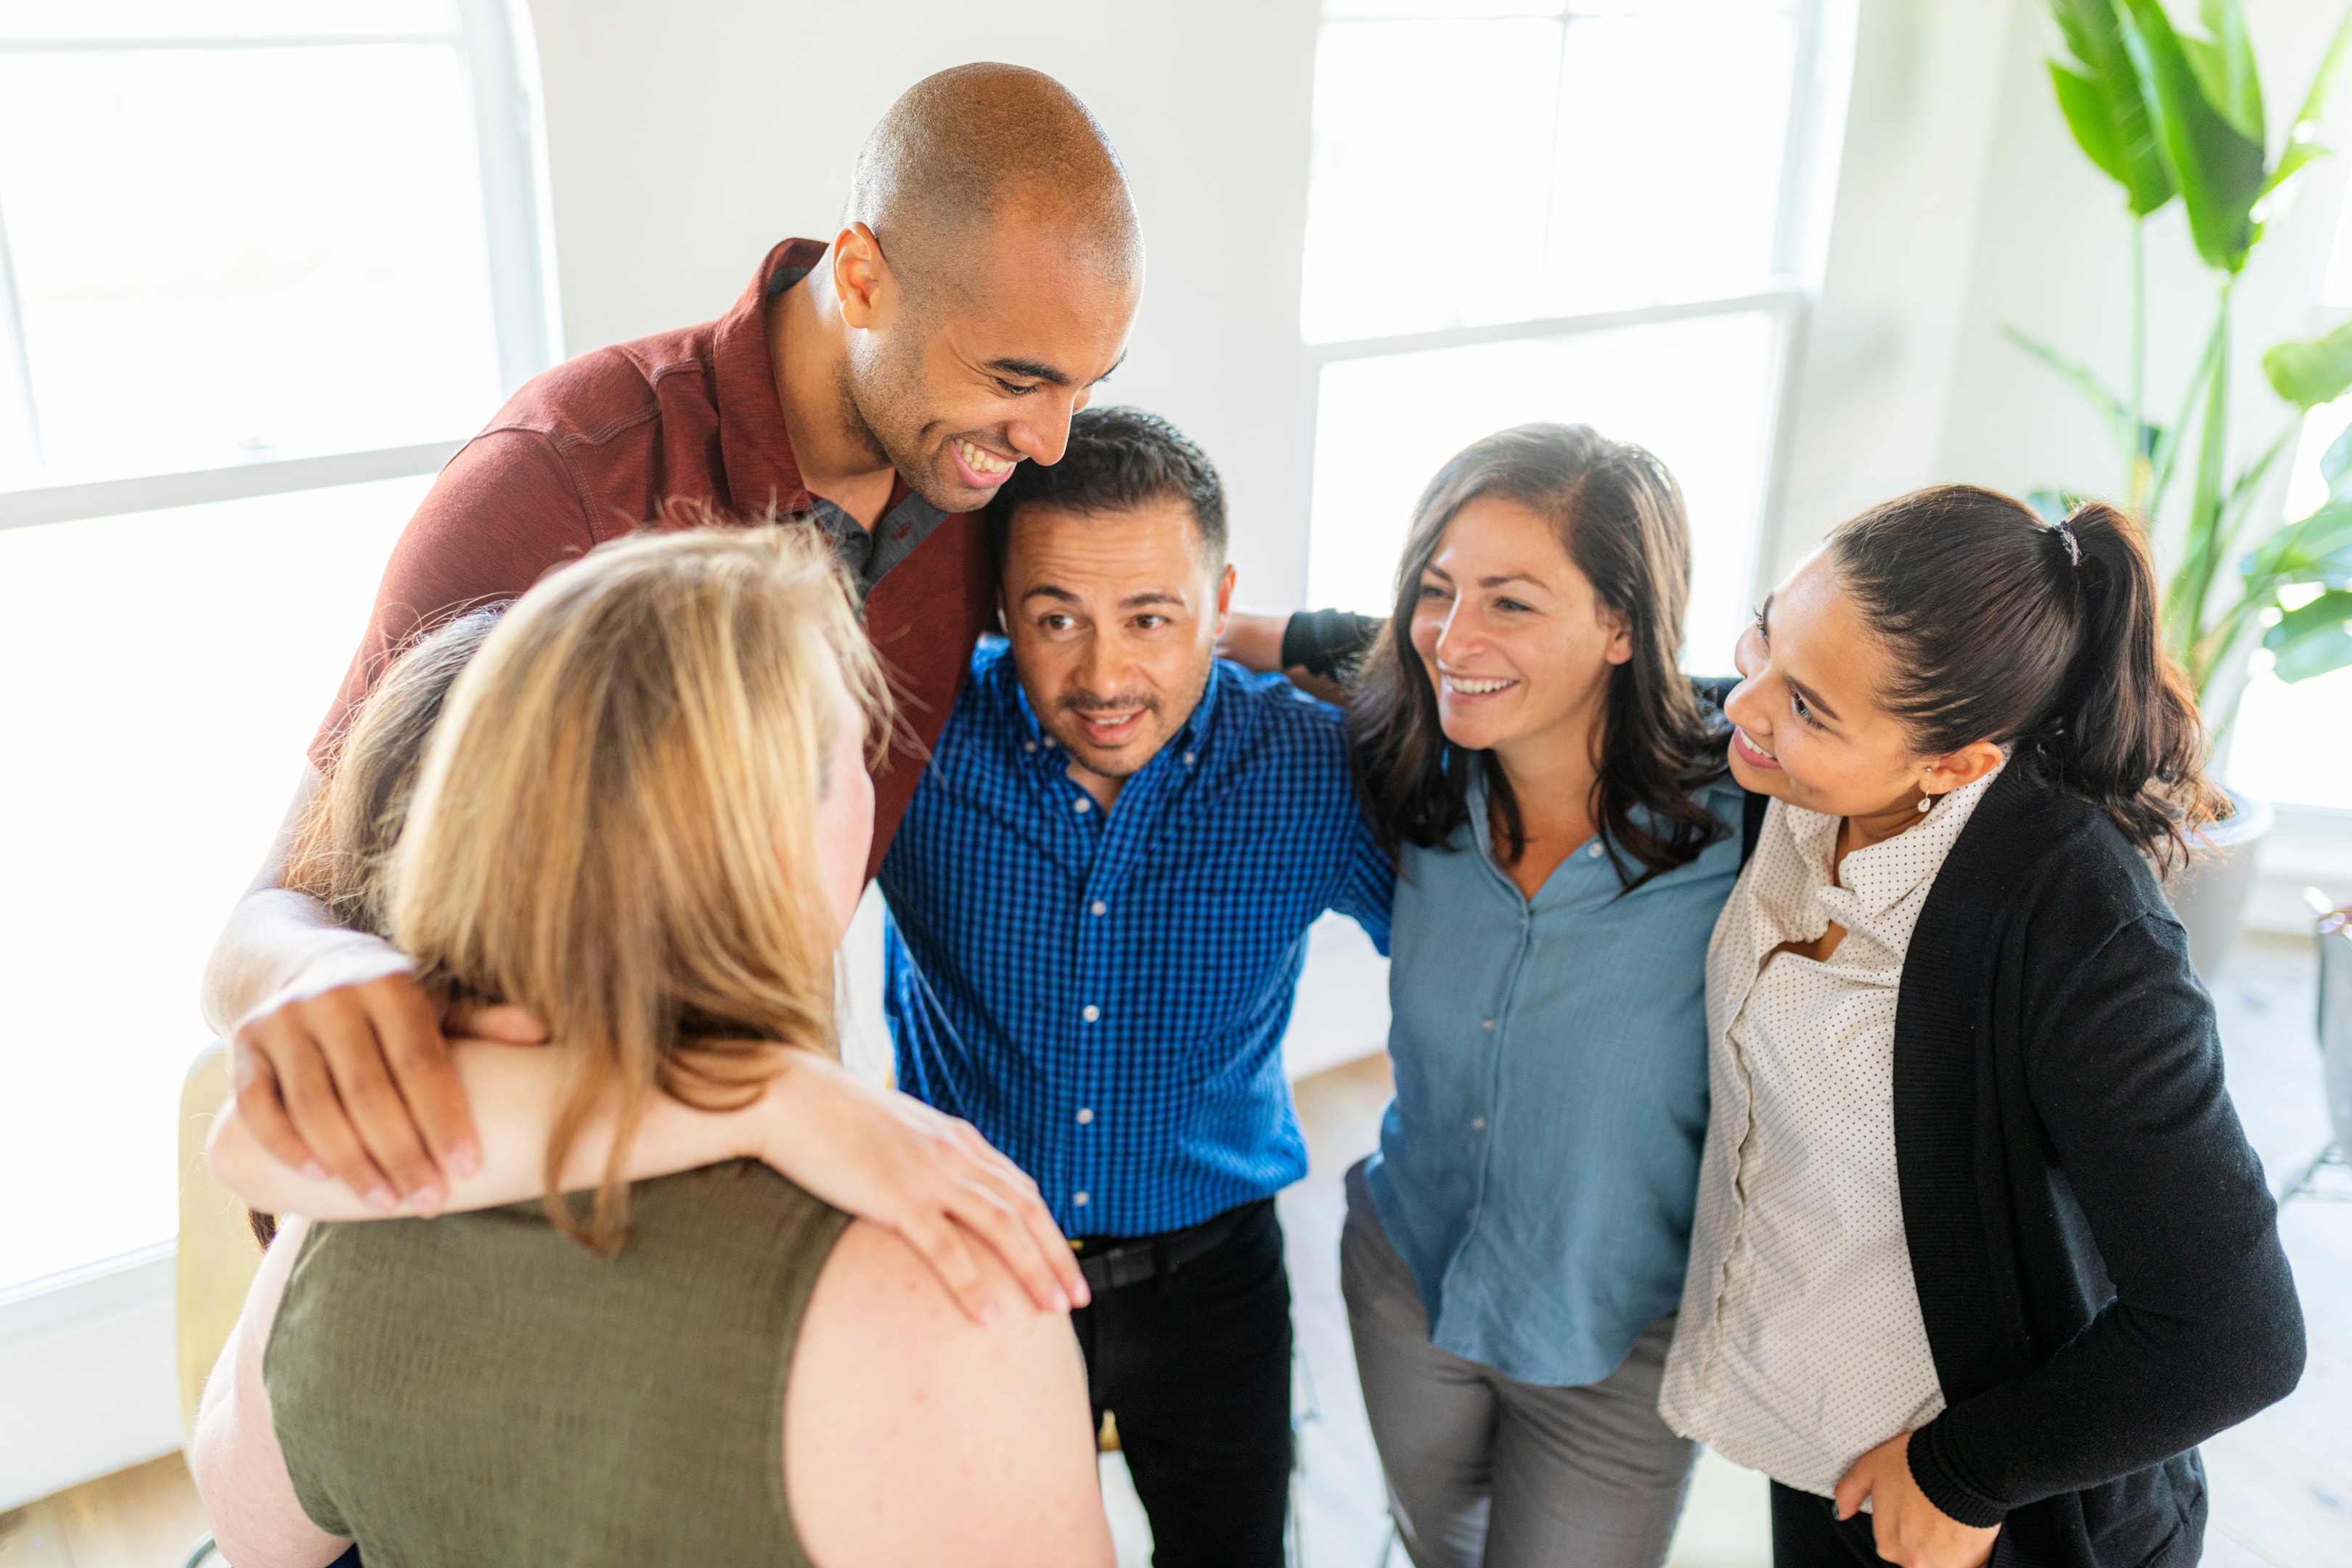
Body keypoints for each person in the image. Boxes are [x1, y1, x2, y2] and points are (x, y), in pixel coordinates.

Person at [223, 407, 1394, 1568]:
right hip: (963, 1237)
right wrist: (777, 1094)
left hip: (1213, 1272)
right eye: (1057, 618)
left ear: (1218, 598)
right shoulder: (935, 741)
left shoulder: (1305, 766)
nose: (1105, 671)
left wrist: (1294, 637)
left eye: (1153, 617)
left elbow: (262, 1166)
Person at [196, 62, 1138, 1318]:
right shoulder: (559, 480)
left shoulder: (980, 484)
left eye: (1090, 386)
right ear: (860, 277)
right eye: (1019, 379)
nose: (1052, 440)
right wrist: (318, 983)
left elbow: (1139, 606)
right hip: (478, 1214)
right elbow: (263, 924)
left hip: (735, 1199)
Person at [195, 526, 1114, 1568]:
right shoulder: (947, 1276)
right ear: (769, 840)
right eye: (851, 751)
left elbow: (252, 1530)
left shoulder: (353, 1195)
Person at [1657, 486, 2306, 1568]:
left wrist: (1963, 1473)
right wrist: (1288, 637)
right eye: (1765, 636)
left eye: (1808, 703)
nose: (1747, 704)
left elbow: (2239, 1338)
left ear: (1957, 764)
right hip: (1820, 1445)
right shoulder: (1798, 765)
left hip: (1988, 1515)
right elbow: (1596, 682)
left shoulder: (2083, 930)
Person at [1232, 425, 1746, 1567]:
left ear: (1624, 624)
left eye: (1512, 602)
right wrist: (1175, 619)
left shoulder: (1749, 813)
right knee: (1432, 1552)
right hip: (1410, 1278)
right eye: (1436, 590)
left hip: (1619, 1336)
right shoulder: (1413, 764)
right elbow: (1348, 651)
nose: (1453, 638)